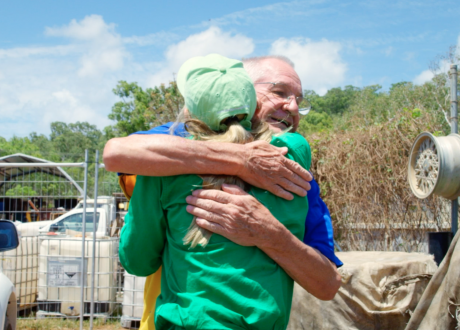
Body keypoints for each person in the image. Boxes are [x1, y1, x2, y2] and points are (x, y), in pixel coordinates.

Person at [104, 55, 342, 300]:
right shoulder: (179, 135)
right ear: (243, 93)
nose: (292, 107)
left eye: (299, 101)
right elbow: (117, 153)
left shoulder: (293, 175)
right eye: (280, 92)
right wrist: (241, 160)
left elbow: (328, 285)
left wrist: (269, 234)